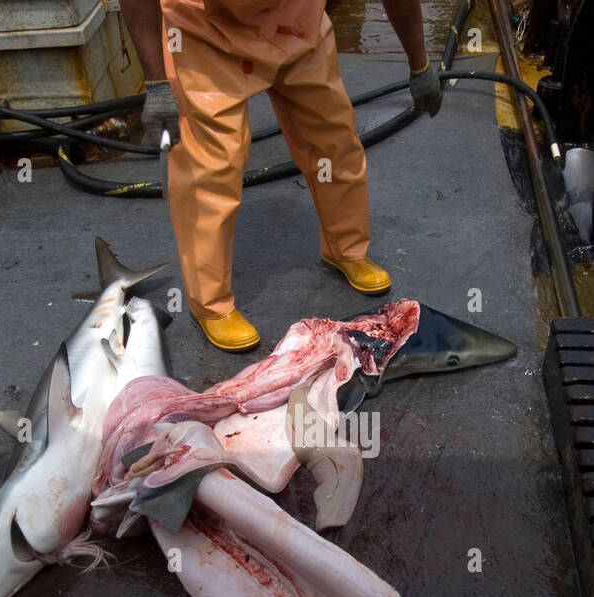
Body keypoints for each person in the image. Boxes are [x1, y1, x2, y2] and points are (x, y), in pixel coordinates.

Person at [121, 0, 442, 351]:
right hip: (203, 33)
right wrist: (156, 82)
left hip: (296, 21)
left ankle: (345, 248)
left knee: (333, 138)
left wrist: (419, 64)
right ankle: (210, 304)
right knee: (213, 165)